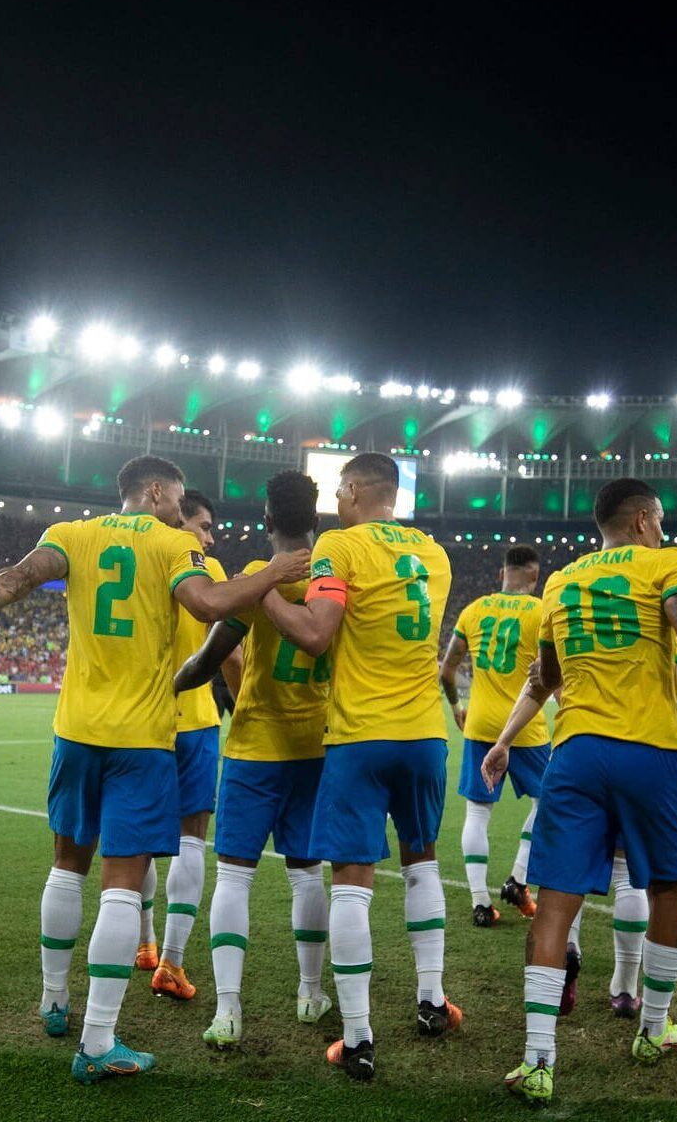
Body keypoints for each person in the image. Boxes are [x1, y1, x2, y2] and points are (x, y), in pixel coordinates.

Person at [0, 455, 308, 1084]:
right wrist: (274, 573)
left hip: (75, 732)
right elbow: (207, 606)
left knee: (66, 866)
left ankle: (54, 1000)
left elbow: (14, 579)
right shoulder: (171, 542)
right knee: (122, 885)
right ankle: (97, 1043)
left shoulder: (72, 534)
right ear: (154, 493)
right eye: (177, 502)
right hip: (140, 741)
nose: (183, 513)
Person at [483, 478, 677, 1104]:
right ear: (645, 519)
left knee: (557, 899)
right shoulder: (667, 563)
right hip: (652, 752)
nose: (666, 529)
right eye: (663, 519)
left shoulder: (560, 583)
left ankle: (538, 1058)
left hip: (577, 752)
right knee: (667, 887)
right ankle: (652, 1028)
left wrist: (507, 736)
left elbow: (547, 677)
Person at [258, 453, 455, 1083]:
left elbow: (317, 634)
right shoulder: (435, 553)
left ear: (349, 491)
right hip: (425, 732)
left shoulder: (340, 546)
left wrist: (262, 590)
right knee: (422, 861)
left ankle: (358, 1036)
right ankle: (431, 1002)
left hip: (361, 735)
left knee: (351, 879)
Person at [172, 470, 332, 1048]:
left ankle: (229, 1010)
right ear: (316, 520)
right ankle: (311, 994)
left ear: (266, 520)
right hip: (316, 746)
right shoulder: (336, 580)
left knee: (235, 876)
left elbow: (208, 662)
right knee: (308, 873)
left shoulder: (250, 583)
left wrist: (170, 683)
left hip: (253, 747)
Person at [143, 489, 238, 1001]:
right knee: (190, 838)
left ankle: (144, 943)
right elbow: (231, 656)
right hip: (195, 721)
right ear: (181, 523)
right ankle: (172, 963)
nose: (208, 538)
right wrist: (244, 708)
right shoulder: (210, 571)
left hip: (141, 720)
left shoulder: (142, 561)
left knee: (134, 837)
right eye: (203, 527)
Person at [439, 544, 547, 929]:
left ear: (502, 574)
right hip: (527, 726)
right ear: (535, 577)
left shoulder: (474, 610)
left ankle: (481, 903)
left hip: (482, 724)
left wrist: (456, 707)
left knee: (477, 813)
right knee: (549, 802)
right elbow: (551, 673)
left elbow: (447, 671)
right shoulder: (542, 611)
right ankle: (518, 879)